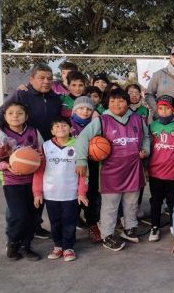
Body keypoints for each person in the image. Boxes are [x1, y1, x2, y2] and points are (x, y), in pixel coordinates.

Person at [75, 88, 150, 251]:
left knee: (131, 203)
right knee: (110, 205)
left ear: (127, 102)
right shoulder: (102, 120)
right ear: (108, 104)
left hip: (133, 168)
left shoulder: (137, 118)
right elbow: (82, 138)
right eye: (113, 101)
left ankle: (130, 227)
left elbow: (146, 137)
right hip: (111, 171)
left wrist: (146, 149)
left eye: (121, 100)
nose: (117, 104)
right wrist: (81, 160)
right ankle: (107, 235)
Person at [0, 63, 61, 239]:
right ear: (31, 79)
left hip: (47, 150)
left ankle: (35, 226)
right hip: (22, 152)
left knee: (39, 191)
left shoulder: (55, 97)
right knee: (17, 203)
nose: (46, 81)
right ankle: (13, 237)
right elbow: (0, 113)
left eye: (49, 78)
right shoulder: (21, 93)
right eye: (41, 77)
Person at [32, 118, 88, 262]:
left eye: (64, 125)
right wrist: (37, 192)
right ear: (52, 131)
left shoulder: (78, 145)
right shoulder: (45, 146)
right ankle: (58, 246)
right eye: (56, 126)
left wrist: (81, 192)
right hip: (51, 193)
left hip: (70, 193)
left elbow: (83, 172)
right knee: (55, 221)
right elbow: (39, 171)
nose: (60, 128)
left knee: (69, 221)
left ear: (71, 129)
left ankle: (68, 247)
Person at [0, 102, 44, 261]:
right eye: (11, 113)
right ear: (5, 117)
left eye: (19, 113)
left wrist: (39, 157)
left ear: (26, 116)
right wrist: (4, 165)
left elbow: (42, 152)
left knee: (33, 216)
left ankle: (26, 245)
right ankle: (13, 242)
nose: (15, 116)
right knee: (19, 215)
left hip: (34, 181)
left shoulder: (34, 132)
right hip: (12, 181)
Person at [147, 95, 174, 242]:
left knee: (173, 200)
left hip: (173, 171)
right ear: (157, 109)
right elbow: (149, 147)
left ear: (172, 110)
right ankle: (154, 226)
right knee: (156, 201)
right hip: (155, 171)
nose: (163, 111)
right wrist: (146, 167)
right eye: (160, 108)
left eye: (167, 108)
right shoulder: (153, 126)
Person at [69, 97, 102, 242]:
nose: (85, 111)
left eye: (89, 109)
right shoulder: (66, 125)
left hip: (92, 165)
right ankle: (70, 228)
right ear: (74, 110)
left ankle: (92, 224)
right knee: (72, 197)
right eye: (81, 108)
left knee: (91, 196)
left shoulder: (96, 125)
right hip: (71, 166)